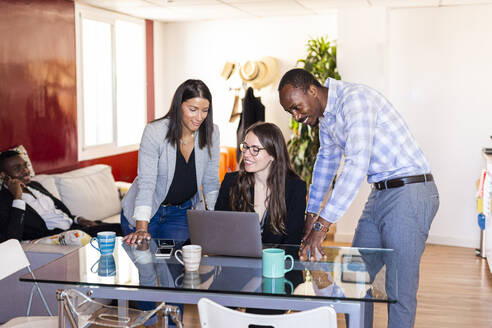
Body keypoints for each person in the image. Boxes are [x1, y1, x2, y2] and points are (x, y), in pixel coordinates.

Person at [278, 68, 439, 328]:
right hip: (380, 192)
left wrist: (322, 225)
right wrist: (310, 217)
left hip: (409, 191)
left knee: (399, 290)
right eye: (290, 113)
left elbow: (355, 164)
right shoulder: (327, 117)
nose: (296, 117)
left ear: (312, 90)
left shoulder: (355, 100)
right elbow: (326, 163)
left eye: (296, 107)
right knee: (352, 280)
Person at [121, 79, 220, 246]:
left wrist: (215, 220)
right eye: (193, 109)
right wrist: (141, 228)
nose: (199, 117)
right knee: (147, 271)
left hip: (180, 215)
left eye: (205, 111)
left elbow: (210, 181)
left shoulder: (211, 132)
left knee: (174, 268)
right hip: (147, 212)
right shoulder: (155, 131)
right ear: (179, 105)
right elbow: (147, 183)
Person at [0, 150, 122, 243]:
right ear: (3, 175)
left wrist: (78, 219)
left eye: (25, 165)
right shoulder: (4, 200)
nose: (25, 171)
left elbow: (58, 212)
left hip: (76, 227)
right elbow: (12, 238)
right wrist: (17, 197)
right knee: (120, 230)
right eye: (17, 168)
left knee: (127, 227)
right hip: (60, 237)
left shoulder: (35, 185)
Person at [215, 122, 306, 245]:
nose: (246, 154)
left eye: (255, 149)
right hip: (236, 260)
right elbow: (218, 230)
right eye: (245, 147)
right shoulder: (231, 182)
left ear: (273, 154)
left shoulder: (295, 188)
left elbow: (292, 243)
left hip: (276, 262)